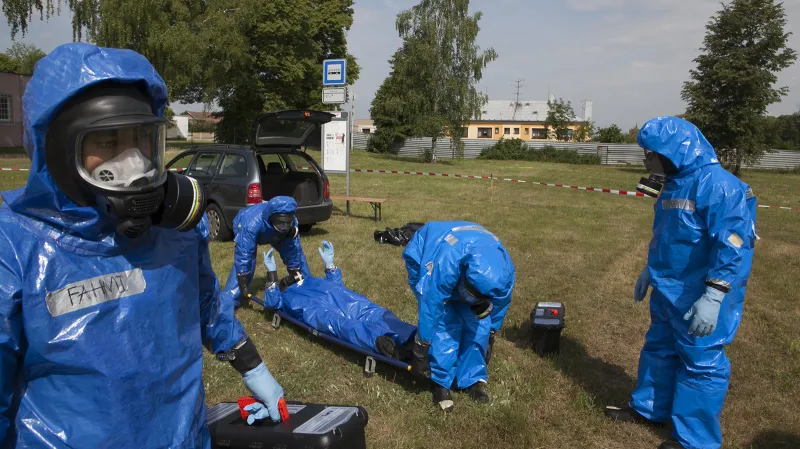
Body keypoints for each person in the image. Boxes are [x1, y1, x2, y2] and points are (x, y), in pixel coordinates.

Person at [0, 42, 285, 448]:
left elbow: (206, 305)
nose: (133, 163)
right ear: (60, 151)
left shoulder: (176, 231)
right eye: (108, 142)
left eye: (141, 140)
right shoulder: (15, 248)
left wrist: (252, 366)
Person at [604, 116, 758, 449]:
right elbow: (669, 236)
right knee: (659, 348)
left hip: (700, 293)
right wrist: (651, 268)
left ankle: (694, 440)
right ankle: (649, 408)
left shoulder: (719, 185)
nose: (645, 160)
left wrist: (715, 294)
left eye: (650, 153)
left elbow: (731, 243)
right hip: (668, 288)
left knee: (701, 364)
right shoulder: (675, 184)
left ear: (674, 150)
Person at [401, 221, 516, 412]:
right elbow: (432, 307)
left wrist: (491, 334)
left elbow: (501, 303)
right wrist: (421, 349)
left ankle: (470, 379)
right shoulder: (445, 265)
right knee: (446, 323)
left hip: (463, 257)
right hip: (426, 253)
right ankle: (440, 382)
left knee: (479, 323)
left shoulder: (504, 274)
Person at [260, 241, 418, 359]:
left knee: (375, 312)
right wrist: (271, 274)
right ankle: (384, 344)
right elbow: (272, 303)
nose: (293, 277)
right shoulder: (286, 296)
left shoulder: (312, 280)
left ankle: (411, 335)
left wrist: (330, 266)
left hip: (345, 300)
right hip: (317, 310)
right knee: (345, 325)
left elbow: (336, 287)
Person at [221, 196, 312, 308]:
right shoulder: (251, 224)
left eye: (286, 223)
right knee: (248, 260)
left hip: (274, 232)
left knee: (298, 256)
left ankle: (308, 288)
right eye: (280, 223)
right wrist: (243, 280)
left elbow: (293, 249)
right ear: (271, 217)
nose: (284, 227)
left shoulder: (291, 224)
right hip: (247, 227)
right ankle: (231, 298)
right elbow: (244, 253)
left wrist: (295, 271)